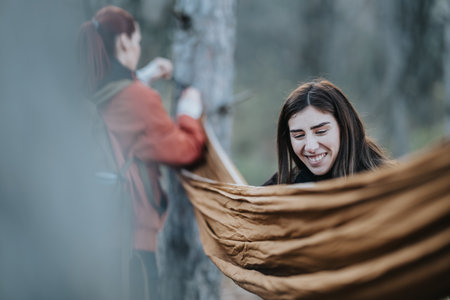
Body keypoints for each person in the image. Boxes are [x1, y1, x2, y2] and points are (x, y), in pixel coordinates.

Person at [77, 5, 205, 300]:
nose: (137, 48)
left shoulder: (90, 86)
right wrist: (189, 113)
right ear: (123, 42)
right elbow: (185, 151)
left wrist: (142, 76)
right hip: (131, 241)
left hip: (93, 232)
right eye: (137, 42)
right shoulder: (137, 99)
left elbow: (119, 118)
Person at [264, 79, 390, 185]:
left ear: (344, 128)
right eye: (299, 135)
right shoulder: (288, 182)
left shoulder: (385, 183)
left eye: (321, 132)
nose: (310, 147)